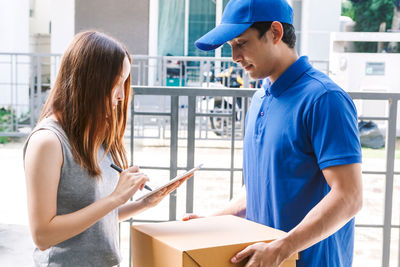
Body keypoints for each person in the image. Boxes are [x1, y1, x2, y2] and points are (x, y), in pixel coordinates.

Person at [184, 0, 363, 266]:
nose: (234, 57)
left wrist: (282, 248)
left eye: (241, 43)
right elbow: (259, 186)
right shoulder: (259, 99)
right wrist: (216, 219)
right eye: (231, 47)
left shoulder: (325, 98)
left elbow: (349, 197)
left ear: (275, 33)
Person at [23, 31, 190, 266]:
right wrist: (115, 198)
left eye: (124, 83)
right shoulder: (48, 141)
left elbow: (96, 220)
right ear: (91, 80)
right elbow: (43, 235)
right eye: (116, 83)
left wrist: (143, 203)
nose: (121, 95)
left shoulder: (96, 134)